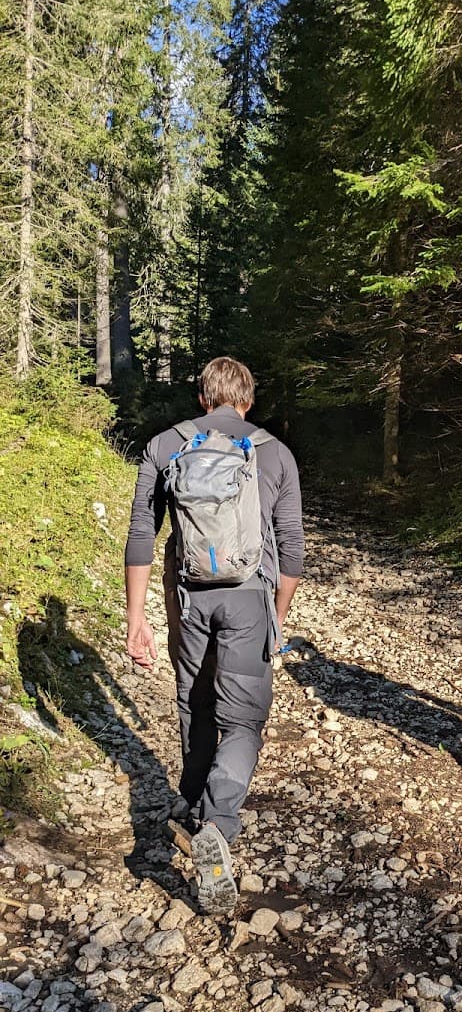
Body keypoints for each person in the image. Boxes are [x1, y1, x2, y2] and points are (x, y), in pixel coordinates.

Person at [124, 356, 304, 913]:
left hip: (188, 598)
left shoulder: (165, 446)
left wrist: (136, 619)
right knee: (244, 717)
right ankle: (218, 825)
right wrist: (277, 614)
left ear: (203, 399)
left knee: (194, 702)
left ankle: (191, 800)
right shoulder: (274, 452)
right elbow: (291, 548)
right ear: (247, 400)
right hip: (249, 598)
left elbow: (140, 536)